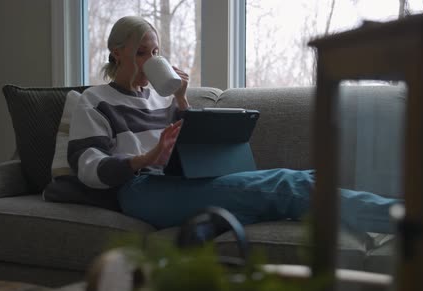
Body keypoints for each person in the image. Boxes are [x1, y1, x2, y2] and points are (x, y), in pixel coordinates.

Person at [67, 15, 397, 234]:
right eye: (142, 53)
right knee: (287, 185)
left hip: (176, 181)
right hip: (138, 191)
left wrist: (181, 101)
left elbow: (184, 147)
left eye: (156, 52)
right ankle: (408, 220)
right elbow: (87, 167)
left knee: (289, 187)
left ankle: (208, 225)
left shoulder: (160, 98)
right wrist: (144, 159)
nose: (152, 60)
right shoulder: (93, 100)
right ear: (116, 53)